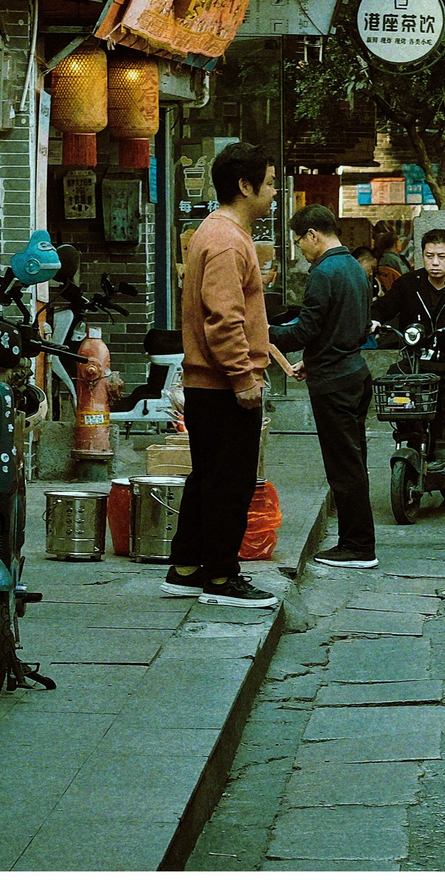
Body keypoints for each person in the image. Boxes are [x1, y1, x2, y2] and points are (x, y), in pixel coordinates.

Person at [166, 139, 281, 608]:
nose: (274, 192)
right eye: (269, 183)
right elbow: (224, 319)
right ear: (245, 186)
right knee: (229, 483)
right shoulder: (227, 240)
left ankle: (185, 567)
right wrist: (243, 378)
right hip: (222, 386)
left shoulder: (215, 233)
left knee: (209, 477)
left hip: (209, 385)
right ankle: (219, 577)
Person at [273, 206, 379, 569]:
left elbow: (305, 330)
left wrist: (262, 332)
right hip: (354, 373)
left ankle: (358, 546)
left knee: (343, 467)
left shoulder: (323, 272)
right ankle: (357, 541)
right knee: (354, 462)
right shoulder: (354, 267)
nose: (300, 249)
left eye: (299, 241)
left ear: (313, 234)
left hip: (335, 384)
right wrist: (314, 359)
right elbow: (355, 328)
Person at [372, 228, 445, 479]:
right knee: (394, 387)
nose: (435, 263)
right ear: (422, 256)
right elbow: (383, 307)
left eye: (442, 256)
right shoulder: (409, 284)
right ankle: (411, 441)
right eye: (429, 256)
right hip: (417, 362)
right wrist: (374, 320)